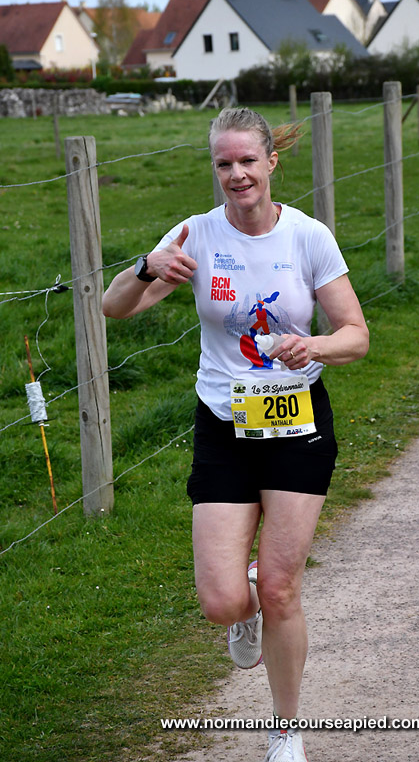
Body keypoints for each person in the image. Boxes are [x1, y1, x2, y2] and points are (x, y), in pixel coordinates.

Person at [102, 107, 369, 762]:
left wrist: (316, 346)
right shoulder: (195, 234)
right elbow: (115, 308)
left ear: (271, 161)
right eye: (224, 163)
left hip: (297, 424)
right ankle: (244, 609)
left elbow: (356, 336)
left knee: (281, 587)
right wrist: (146, 266)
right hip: (223, 426)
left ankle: (286, 733)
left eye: (248, 160)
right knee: (224, 601)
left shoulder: (308, 237)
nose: (237, 174)